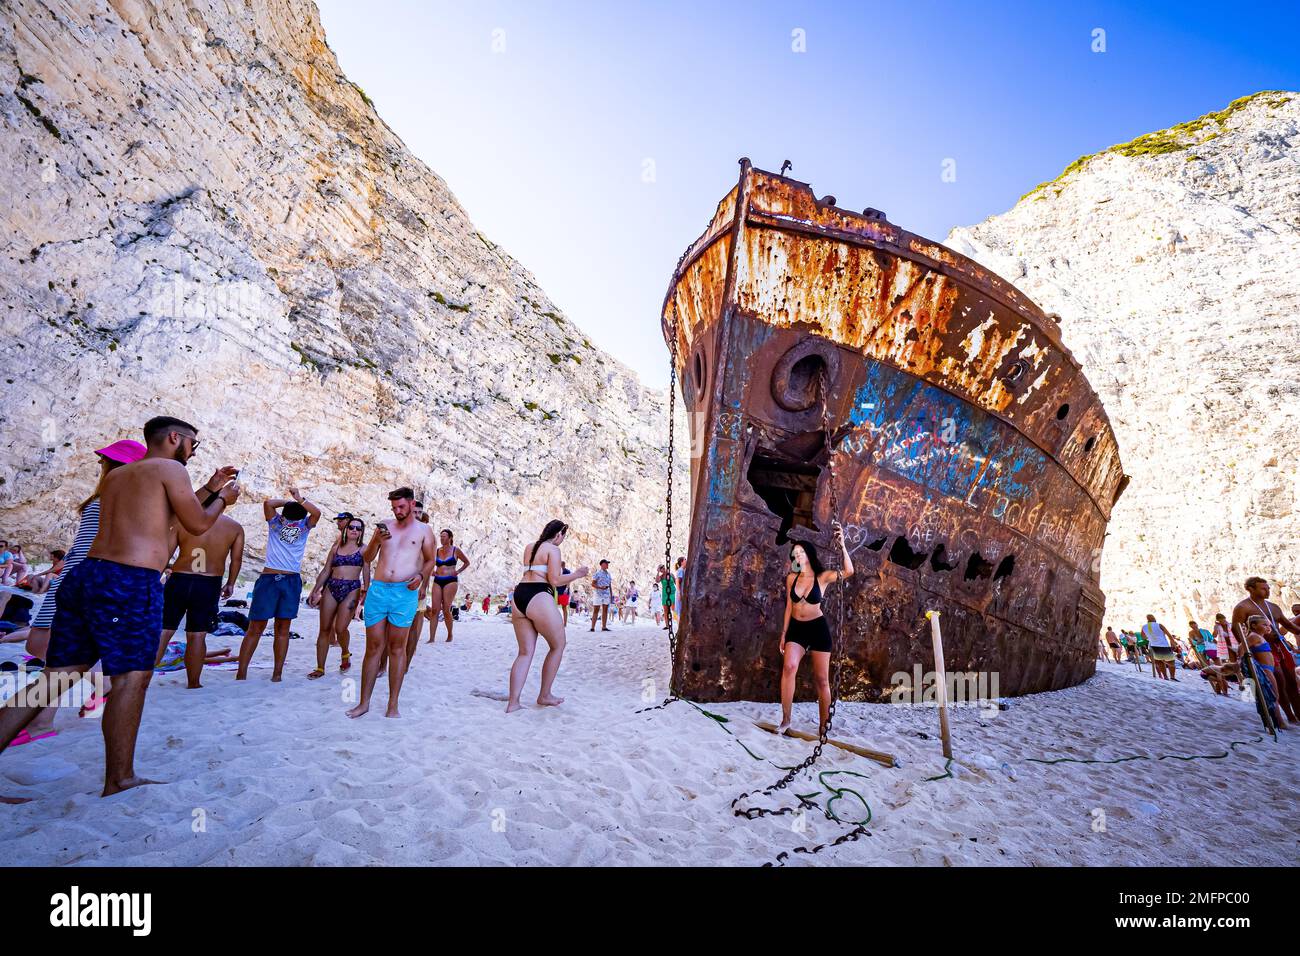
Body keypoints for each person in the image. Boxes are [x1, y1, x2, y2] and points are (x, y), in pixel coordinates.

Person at [0, 417, 239, 799]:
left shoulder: (119, 477)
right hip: (128, 581)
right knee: (131, 678)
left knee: (56, 677)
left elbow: (163, 514)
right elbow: (194, 524)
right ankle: (120, 779)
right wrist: (224, 500)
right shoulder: (171, 468)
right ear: (174, 438)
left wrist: (209, 487)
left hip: (86, 577)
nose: (194, 450)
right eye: (194, 443)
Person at [0, 442, 146, 754]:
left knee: (47, 652)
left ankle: (50, 717)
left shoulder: (117, 497)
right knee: (48, 653)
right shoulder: (114, 497)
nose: (103, 465)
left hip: (78, 583)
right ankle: (89, 693)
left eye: (108, 461)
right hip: (74, 579)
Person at [347, 488, 435, 718]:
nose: (397, 511)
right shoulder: (384, 527)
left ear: (411, 503)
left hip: (405, 592)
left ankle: (392, 704)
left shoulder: (424, 530)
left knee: (397, 648)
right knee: (373, 648)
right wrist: (375, 540)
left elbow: (430, 560)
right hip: (379, 590)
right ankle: (363, 703)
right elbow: (366, 559)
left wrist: (421, 577)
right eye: (394, 508)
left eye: (401, 507)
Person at [234, 490, 320, 682]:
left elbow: (270, 504)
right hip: (278, 579)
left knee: (267, 627)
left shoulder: (284, 523)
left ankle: (274, 673)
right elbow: (269, 503)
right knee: (267, 627)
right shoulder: (287, 523)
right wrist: (295, 500)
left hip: (278, 579)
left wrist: (296, 500)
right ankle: (251, 672)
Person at [777, 530, 854, 736]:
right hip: (796, 629)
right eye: (795, 553)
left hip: (817, 629)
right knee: (789, 667)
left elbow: (848, 571)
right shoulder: (791, 578)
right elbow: (788, 606)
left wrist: (843, 545)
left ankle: (824, 724)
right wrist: (784, 633)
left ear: (809, 554)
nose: (798, 556)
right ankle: (786, 719)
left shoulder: (822, 577)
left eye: (801, 552)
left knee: (822, 680)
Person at [506, 520, 588, 712]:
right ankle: (544, 694)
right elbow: (555, 580)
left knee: (525, 652)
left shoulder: (529, 547)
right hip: (539, 595)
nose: (561, 540)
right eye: (563, 537)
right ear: (559, 534)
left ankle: (513, 703)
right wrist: (577, 574)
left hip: (520, 595)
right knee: (558, 645)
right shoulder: (552, 549)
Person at [157, 510, 244, 689]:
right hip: (208, 583)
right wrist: (230, 583)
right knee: (197, 635)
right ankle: (194, 683)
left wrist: (157, 574)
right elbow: (236, 559)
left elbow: (165, 552)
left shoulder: (184, 520)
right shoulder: (234, 527)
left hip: (179, 579)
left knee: (164, 631)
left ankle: (141, 677)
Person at [306, 517, 368, 678]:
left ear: (361, 532)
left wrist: (366, 590)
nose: (355, 530)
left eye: (358, 528)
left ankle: (345, 652)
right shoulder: (336, 548)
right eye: (352, 527)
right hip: (331, 587)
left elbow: (367, 571)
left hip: (351, 588)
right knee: (324, 628)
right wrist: (315, 589)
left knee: (340, 628)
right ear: (346, 529)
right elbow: (326, 570)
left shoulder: (364, 549)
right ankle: (320, 668)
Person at [1232, 578, 1300, 722]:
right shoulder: (1243, 607)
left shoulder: (1273, 607)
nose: (1268, 591)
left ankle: (1298, 714)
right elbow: (1236, 629)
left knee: (1292, 681)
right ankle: (1288, 716)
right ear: (1250, 589)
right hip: (1263, 648)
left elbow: (1288, 625)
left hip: (1280, 645)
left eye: (1268, 588)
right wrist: (1248, 649)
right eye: (1263, 588)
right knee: (1279, 681)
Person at [425, 529, 469, 646]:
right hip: (438, 579)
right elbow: (428, 562)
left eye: (444, 536)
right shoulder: (437, 551)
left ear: (450, 538)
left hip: (450, 580)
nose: (442, 538)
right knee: (435, 610)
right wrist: (431, 572)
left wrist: (458, 571)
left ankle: (450, 634)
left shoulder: (456, 550)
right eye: (441, 536)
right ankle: (431, 638)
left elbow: (466, 562)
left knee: (446, 609)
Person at [1243, 615, 1287, 729]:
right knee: (1274, 696)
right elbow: (1241, 649)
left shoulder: (1259, 636)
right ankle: (1280, 722)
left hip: (1268, 668)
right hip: (1265, 669)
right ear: (1253, 625)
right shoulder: (1253, 637)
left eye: (1269, 625)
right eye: (1264, 625)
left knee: (1273, 695)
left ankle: (1276, 721)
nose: (1268, 627)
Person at [1141, 615, 1177, 680]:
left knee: (1159, 662)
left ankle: (1165, 677)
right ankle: (1172, 677)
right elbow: (1169, 635)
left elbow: (1143, 637)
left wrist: (1151, 637)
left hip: (1153, 645)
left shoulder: (1144, 627)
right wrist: (1174, 643)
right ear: (1154, 619)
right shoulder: (1159, 625)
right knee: (1171, 662)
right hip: (1163, 645)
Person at [589, 559, 613, 632]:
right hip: (598, 594)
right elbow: (592, 584)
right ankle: (592, 627)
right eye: (606, 563)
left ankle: (604, 627)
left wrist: (611, 594)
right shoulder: (597, 573)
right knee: (596, 609)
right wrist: (600, 588)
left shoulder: (608, 574)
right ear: (602, 565)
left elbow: (609, 585)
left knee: (605, 610)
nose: (607, 565)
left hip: (606, 594)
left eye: (607, 564)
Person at [660, 564, 676, 631]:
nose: (663, 569)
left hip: (672, 593)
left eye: (664, 568)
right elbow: (657, 581)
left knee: (674, 609)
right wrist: (658, 572)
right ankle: (667, 625)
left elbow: (676, 582)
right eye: (661, 569)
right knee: (666, 610)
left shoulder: (671, 575)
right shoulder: (661, 577)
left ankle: (678, 621)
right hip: (665, 594)